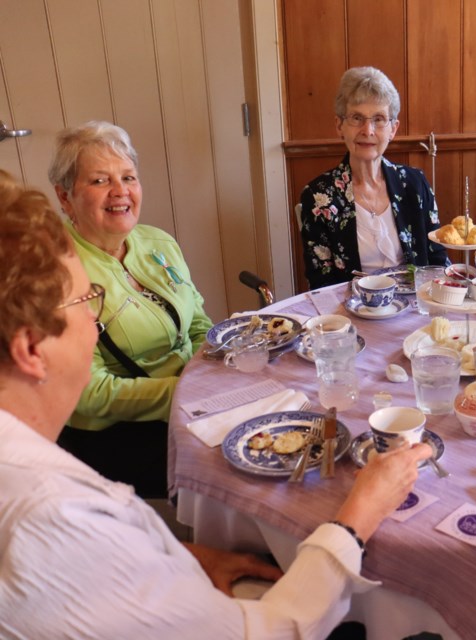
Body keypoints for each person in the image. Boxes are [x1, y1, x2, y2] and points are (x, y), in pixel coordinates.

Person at [0, 171, 434, 638]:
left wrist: (180, 556)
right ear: (30, 348)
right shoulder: (52, 517)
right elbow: (272, 630)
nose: (94, 319)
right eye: (87, 300)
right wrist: (359, 515)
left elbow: (89, 575)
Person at [47, 121, 212, 497]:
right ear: (65, 196)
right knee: (239, 470)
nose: (120, 192)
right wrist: (186, 392)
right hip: (119, 435)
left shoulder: (158, 243)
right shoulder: (58, 271)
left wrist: (219, 370)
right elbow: (89, 391)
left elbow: (199, 324)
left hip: (192, 402)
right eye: (100, 181)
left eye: (129, 177)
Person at [299, 66, 448, 289]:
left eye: (379, 119)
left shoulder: (415, 184)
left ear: (393, 129)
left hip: (417, 310)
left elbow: (437, 260)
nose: (367, 130)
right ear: (339, 126)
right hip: (352, 314)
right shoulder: (319, 196)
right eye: (356, 118)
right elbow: (321, 282)